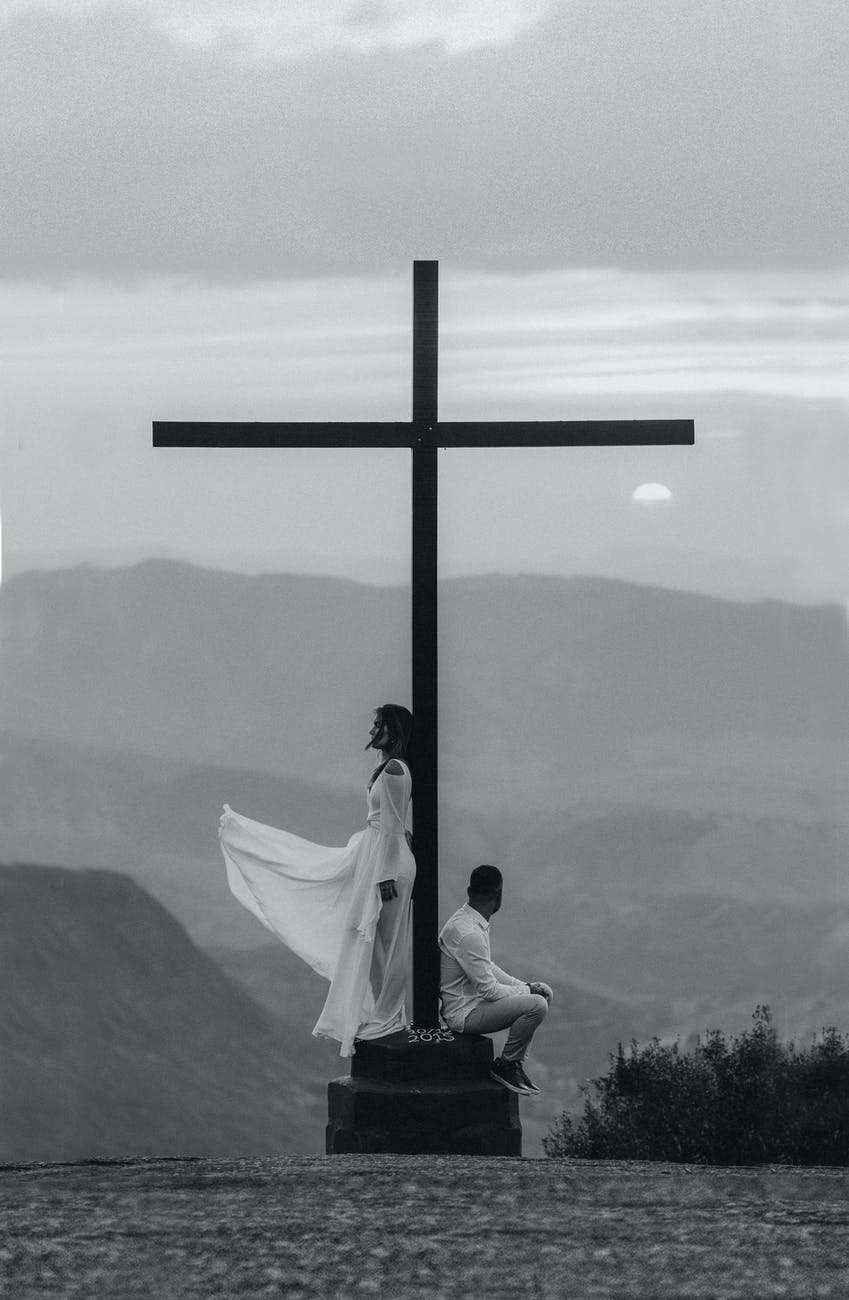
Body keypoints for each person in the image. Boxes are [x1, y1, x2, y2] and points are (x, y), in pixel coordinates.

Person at [219, 704, 415, 1057]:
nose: (372, 731)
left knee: (388, 941)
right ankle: (384, 1013)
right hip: (377, 857)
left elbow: (393, 826)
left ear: (393, 729)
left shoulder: (395, 770)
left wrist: (386, 873)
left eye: (378, 725)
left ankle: (390, 1016)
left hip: (388, 864)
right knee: (371, 939)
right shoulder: (386, 768)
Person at [438, 864, 552, 1096]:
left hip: (472, 1004)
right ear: (498, 895)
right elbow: (488, 990)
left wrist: (524, 986)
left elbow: (487, 967)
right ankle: (507, 1064)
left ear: (469, 891)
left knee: (544, 993)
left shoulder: (468, 921)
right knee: (537, 1005)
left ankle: (515, 1063)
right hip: (464, 1014)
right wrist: (527, 992)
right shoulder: (469, 933)